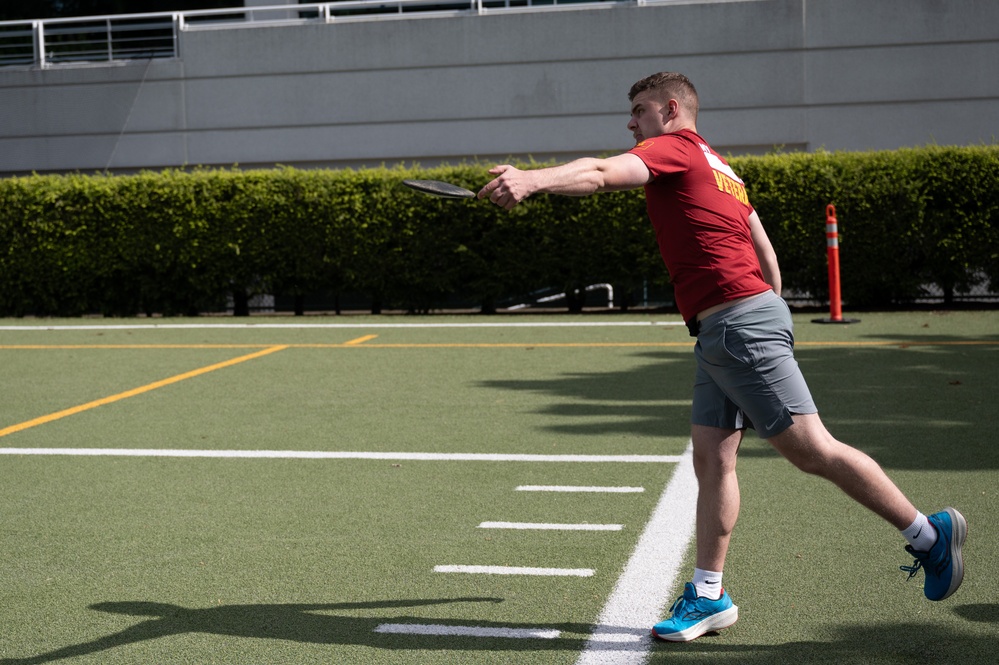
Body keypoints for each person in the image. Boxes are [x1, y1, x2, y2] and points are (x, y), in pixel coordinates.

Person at [477, 71, 966, 642]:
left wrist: (532, 181)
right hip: (728, 328)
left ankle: (928, 537)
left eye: (638, 110)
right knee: (712, 458)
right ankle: (709, 595)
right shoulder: (721, 167)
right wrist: (772, 305)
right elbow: (760, 240)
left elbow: (601, 172)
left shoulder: (676, 149)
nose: (631, 123)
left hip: (736, 324)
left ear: (671, 108)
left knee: (811, 449)